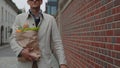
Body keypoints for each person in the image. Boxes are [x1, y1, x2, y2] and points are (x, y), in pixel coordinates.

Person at [10, 0, 67, 68]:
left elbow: (57, 43)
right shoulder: (19, 18)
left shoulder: (50, 20)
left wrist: (62, 63)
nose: (34, 0)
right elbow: (13, 38)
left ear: (41, 1)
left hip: (45, 64)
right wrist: (21, 51)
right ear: (28, 2)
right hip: (25, 64)